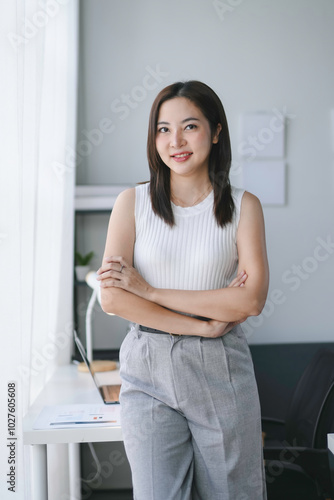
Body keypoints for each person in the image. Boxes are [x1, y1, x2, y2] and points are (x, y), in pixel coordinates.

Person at [96, 80, 269, 500]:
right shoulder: (131, 204)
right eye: (162, 129)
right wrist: (201, 324)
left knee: (234, 494)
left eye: (189, 126)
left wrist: (150, 292)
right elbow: (114, 298)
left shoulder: (243, 207)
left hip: (220, 366)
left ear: (216, 130)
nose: (175, 141)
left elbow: (251, 299)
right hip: (148, 365)